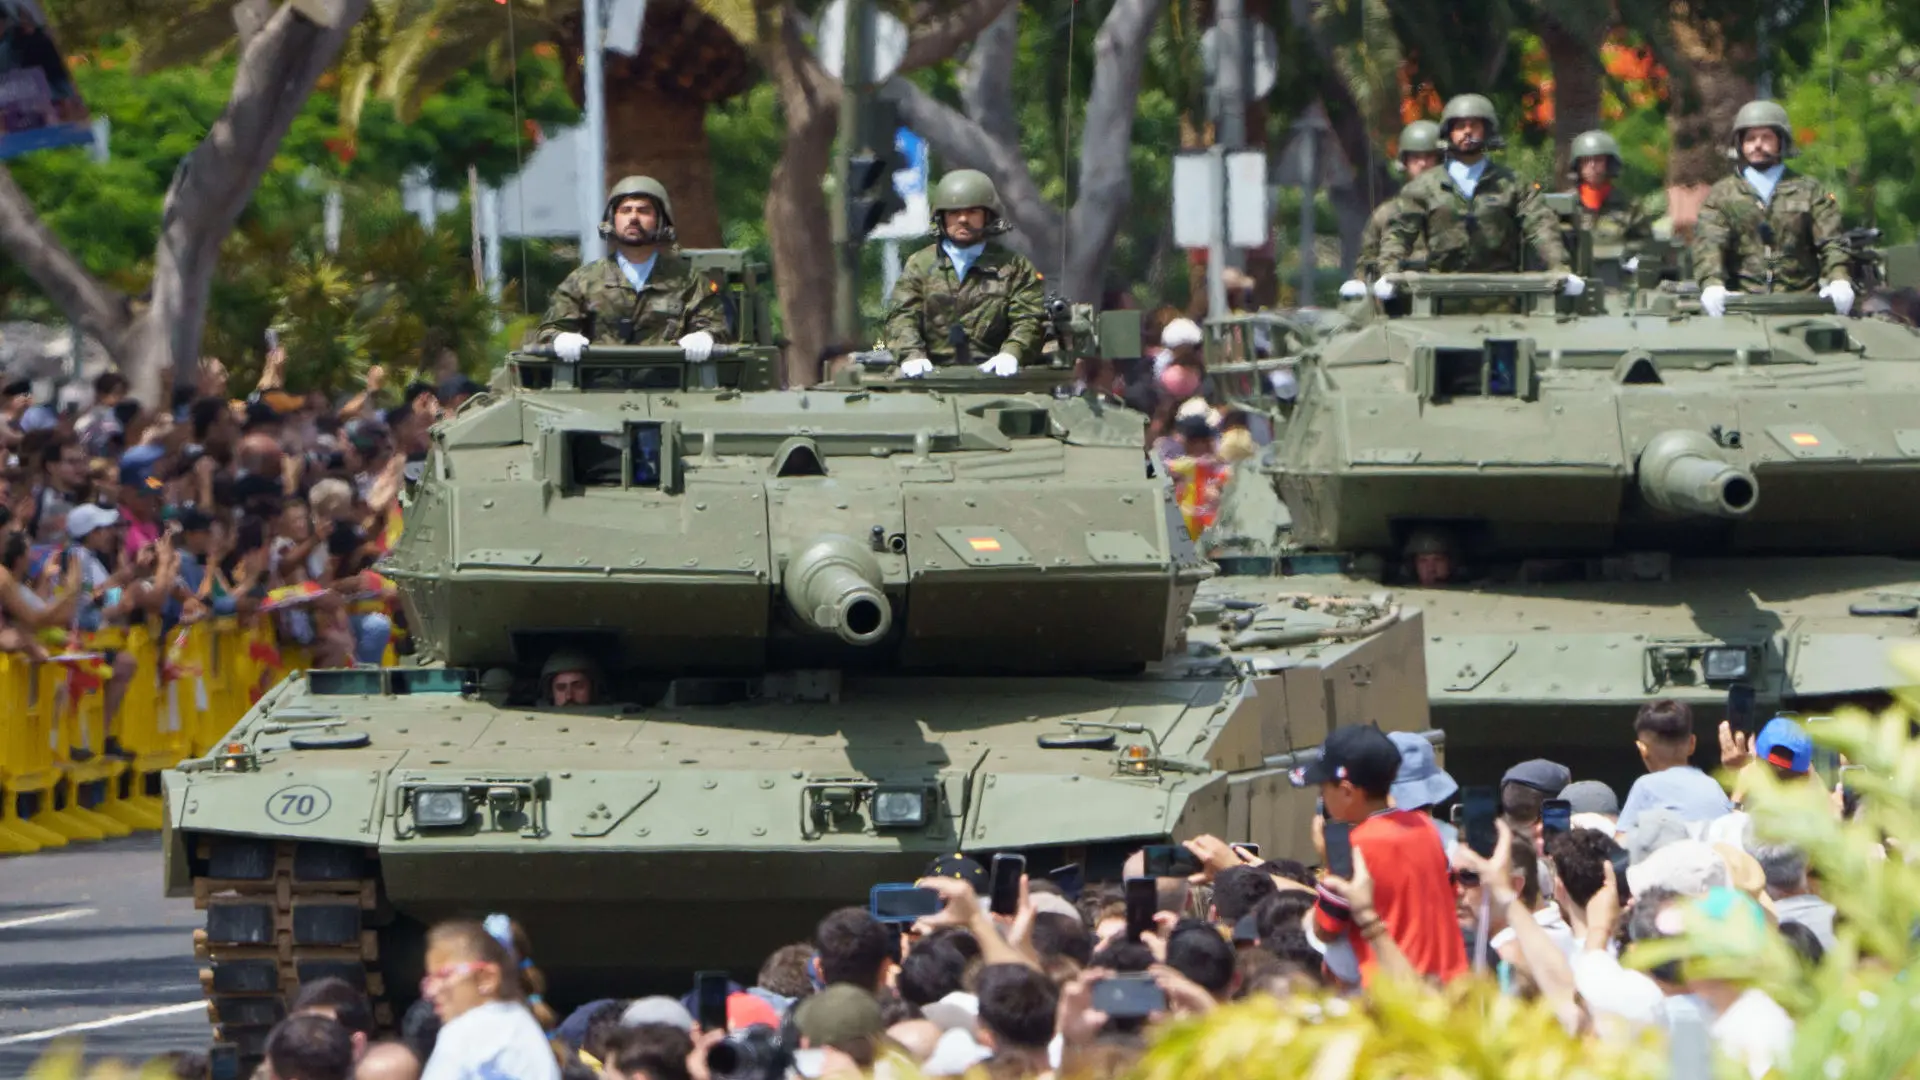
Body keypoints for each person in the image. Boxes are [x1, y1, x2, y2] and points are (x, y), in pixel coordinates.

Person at [1296, 724, 1467, 985]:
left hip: (1396, 995)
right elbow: (1453, 894)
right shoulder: (1426, 828)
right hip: (1451, 984)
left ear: (1346, 791)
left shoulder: (1350, 846)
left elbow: (1325, 929)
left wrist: (1329, 859)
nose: (1321, 797)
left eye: (1323, 789)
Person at [1376, 94, 1578, 297]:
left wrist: (1559, 268)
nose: (1467, 131)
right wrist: (1388, 273)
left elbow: (1541, 226)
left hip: (1503, 293)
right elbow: (1399, 232)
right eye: (1460, 126)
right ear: (1449, 132)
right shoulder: (1423, 187)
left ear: (1486, 131)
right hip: (1440, 294)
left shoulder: (1513, 184)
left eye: (1474, 125)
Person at [537, 176, 730, 363]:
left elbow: (716, 327)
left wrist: (705, 336)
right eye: (625, 210)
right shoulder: (584, 280)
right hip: (601, 387)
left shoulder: (688, 280)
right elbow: (550, 329)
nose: (633, 218)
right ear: (613, 219)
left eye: (644, 211)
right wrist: (560, 337)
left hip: (669, 386)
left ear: (660, 220)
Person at [1691, 100, 1853, 317]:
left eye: (1766, 137)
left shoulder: (1809, 190)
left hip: (1802, 304)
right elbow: (1709, 244)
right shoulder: (1722, 195)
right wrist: (1712, 284)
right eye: (1750, 138)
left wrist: (1839, 279)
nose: (1757, 145)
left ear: (1781, 141)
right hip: (1742, 305)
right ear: (1739, 144)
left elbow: (1832, 242)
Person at [881, 169, 1045, 378]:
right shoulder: (920, 264)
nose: (963, 219)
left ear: (987, 216)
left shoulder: (1014, 266)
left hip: (996, 377)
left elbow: (1029, 317)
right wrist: (911, 354)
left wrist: (1012, 353)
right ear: (941, 218)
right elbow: (901, 315)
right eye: (954, 213)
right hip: (930, 377)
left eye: (973, 212)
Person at [1344, 120, 1444, 297]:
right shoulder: (1386, 214)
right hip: (1400, 303)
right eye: (1415, 157)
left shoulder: (1456, 209)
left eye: (1429, 157)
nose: (1422, 163)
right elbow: (1366, 265)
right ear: (1404, 162)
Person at [1617, 699, 1732, 835]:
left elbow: (1620, 845)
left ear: (1642, 749)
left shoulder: (1646, 785)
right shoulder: (1713, 786)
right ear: (1692, 743)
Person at [1563, 130, 1652, 260]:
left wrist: (1631, 259)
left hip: (1618, 273)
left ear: (1609, 163)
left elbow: (1645, 243)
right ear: (1578, 165)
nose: (1592, 166)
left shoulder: (1629, 205)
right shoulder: (1564, 205)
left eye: (1598, 160)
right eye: (1586, 160)